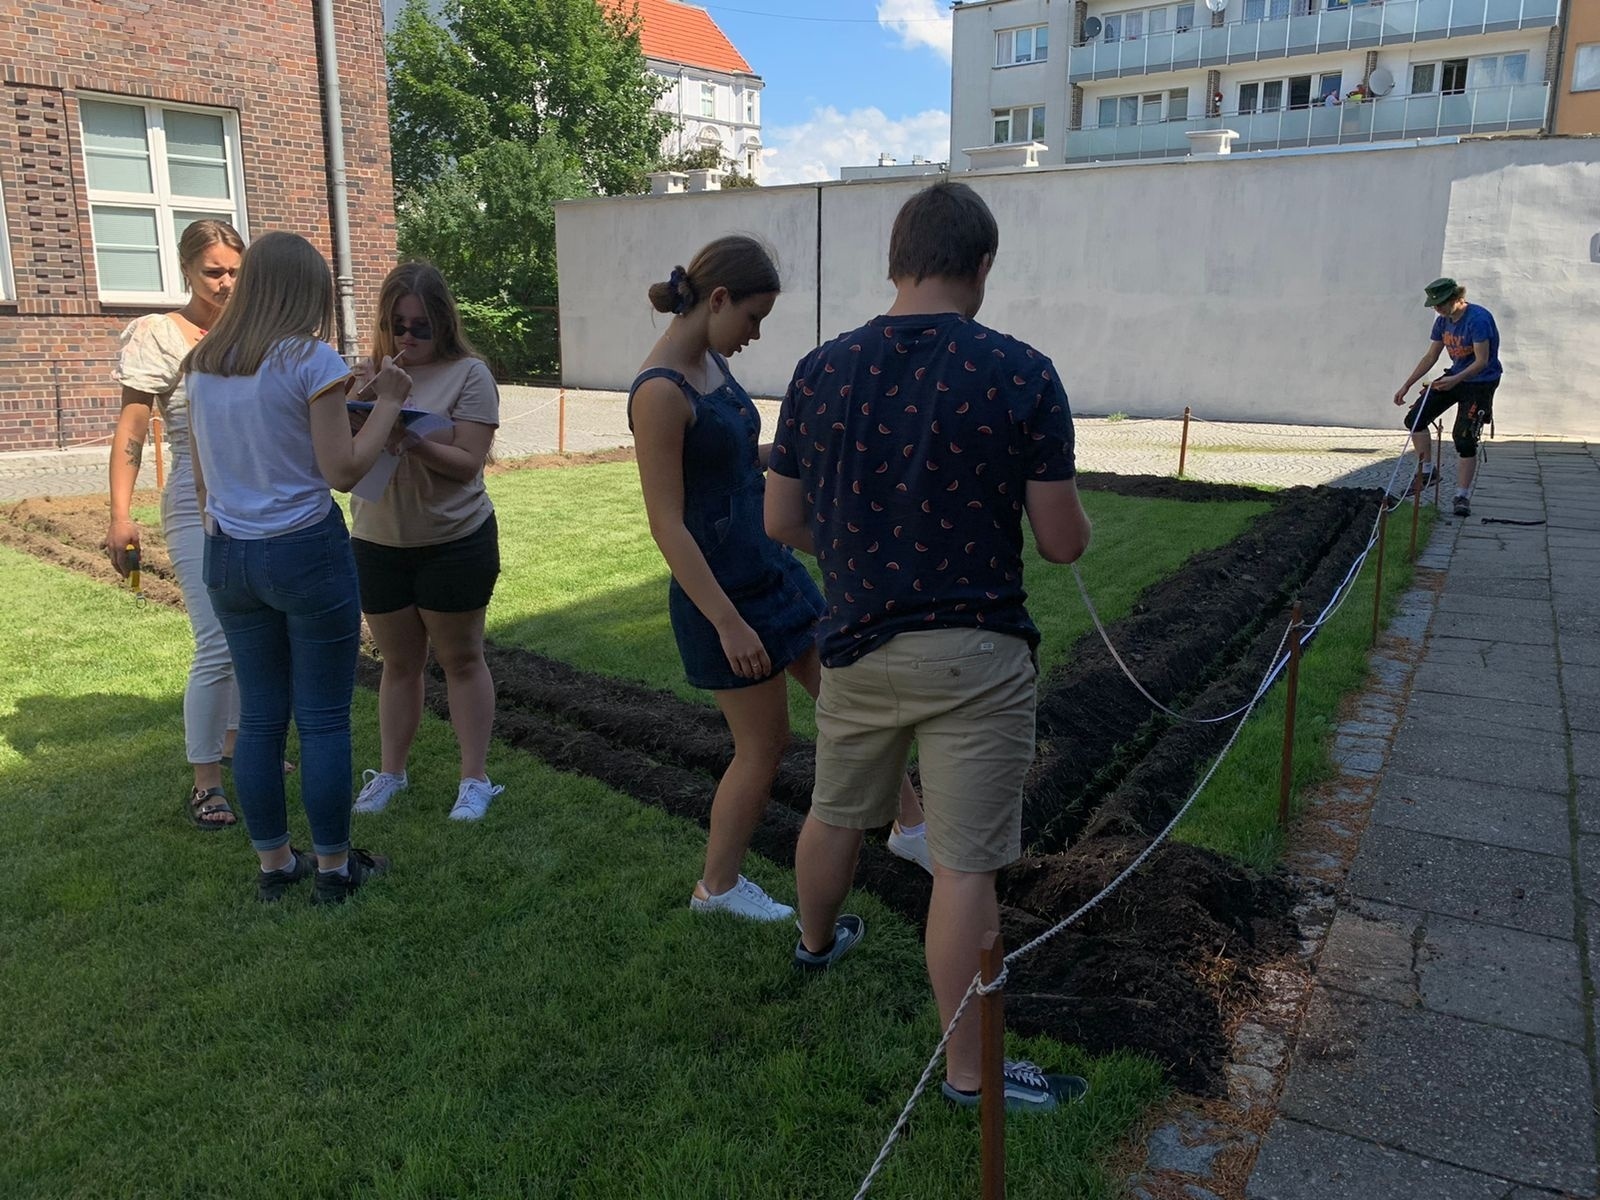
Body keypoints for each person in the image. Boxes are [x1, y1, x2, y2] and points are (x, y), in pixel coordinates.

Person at [765, 182, 1094, 1112]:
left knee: (835, 812)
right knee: (963, 866)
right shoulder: (1021, 372)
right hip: (975, 658)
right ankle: (970, 1077)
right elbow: (1061, 542)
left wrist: (859, 545)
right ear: (981, 266)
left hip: (855, 645)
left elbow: (781, 518)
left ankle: (815, 944)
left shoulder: (819, 371)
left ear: (896, 262)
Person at [630, 236, 932, 924]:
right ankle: (716, 889)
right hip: (723, 600)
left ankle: (911, 828)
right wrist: (728, 623)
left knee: (856, 701)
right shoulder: (659, 393)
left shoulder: (710, 362)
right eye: (753, 318)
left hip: (773, 571)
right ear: (717, 300)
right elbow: (667, 525)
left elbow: (735, 460)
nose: (756, 335)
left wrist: (805, 452)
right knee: (764, 747)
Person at [186, 231, 412, 904]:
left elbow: (203, 480)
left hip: (228, 552)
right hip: (304, 549)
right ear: (306, 292)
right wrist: (390, 403)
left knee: (259, 718)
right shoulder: (310, 359)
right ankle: (335, 869)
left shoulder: (204, 362)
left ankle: (275, 864)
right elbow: (343, 470)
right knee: (322, 719)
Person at [104, 219, 248, 830]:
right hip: (193, 502)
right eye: (213, 271)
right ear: (187, 268)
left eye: (235, 271)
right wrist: (120, 515)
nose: (225, 283)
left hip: (252, 499)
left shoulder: (253, 330)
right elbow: (132, 430)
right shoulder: (159, 335)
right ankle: (205, 781)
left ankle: (239, 746)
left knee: (249, 633)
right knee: (216, 639)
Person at [347, 263, 504, 822]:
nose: (408, 338)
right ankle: (391, 773)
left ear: (443, 323)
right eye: (397, 326)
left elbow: (467, 464)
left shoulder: (469, 374)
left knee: (461, 659)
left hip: (453, 538)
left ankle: (474, 780)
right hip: (378, 538)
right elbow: (340, 460)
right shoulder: (368, 376)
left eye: (421, 327)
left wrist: (408, 437)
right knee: (398, 663)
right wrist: (356, 401)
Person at [1392, 277, 1502, 517]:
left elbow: (1482, 361)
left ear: (1457, 298)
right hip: (1455, 375)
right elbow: (1431, 356)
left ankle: (1461, 495)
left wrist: (1455, 380)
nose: (1437, 309)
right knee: (1415, 419)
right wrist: (1407, 385)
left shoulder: (1478, 319)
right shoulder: (1442, 321)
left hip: (1481, 381)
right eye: (1434, 305)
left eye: (1441, 303)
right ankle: (1428, 472)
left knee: (1464, 438)